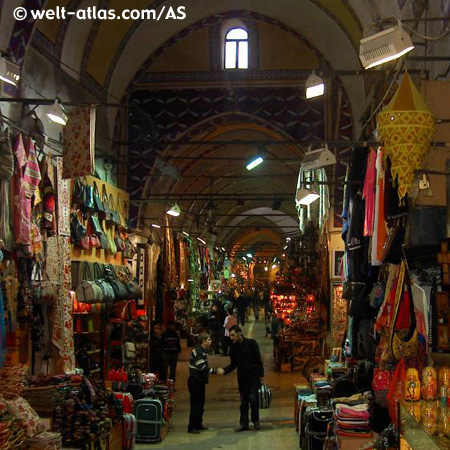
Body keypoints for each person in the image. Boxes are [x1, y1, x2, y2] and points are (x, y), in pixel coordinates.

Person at [220, 325, 265, 431]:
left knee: (253, 399)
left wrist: (261, 375)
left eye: (233, 335)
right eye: (230, 336)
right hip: (242, 379)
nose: (231, 338)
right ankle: (244, 424)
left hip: (253, 377)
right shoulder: (233, 348)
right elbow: (233, 364)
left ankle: (255, 420)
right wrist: (224, 370)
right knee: (244, 402)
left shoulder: (251, 343)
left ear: (239, 334)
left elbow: (258, 359)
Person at [187, 333, 221, 434]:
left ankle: (198, 424)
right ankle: (192, 426)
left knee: (200, 404)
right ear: (203, 341)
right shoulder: (198, 351)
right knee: (196, 404)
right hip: (195, 381)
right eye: (208, 340)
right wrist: (215, 371)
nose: (210, 342)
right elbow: (201, 366)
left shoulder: (202, 351)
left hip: (199, 381)